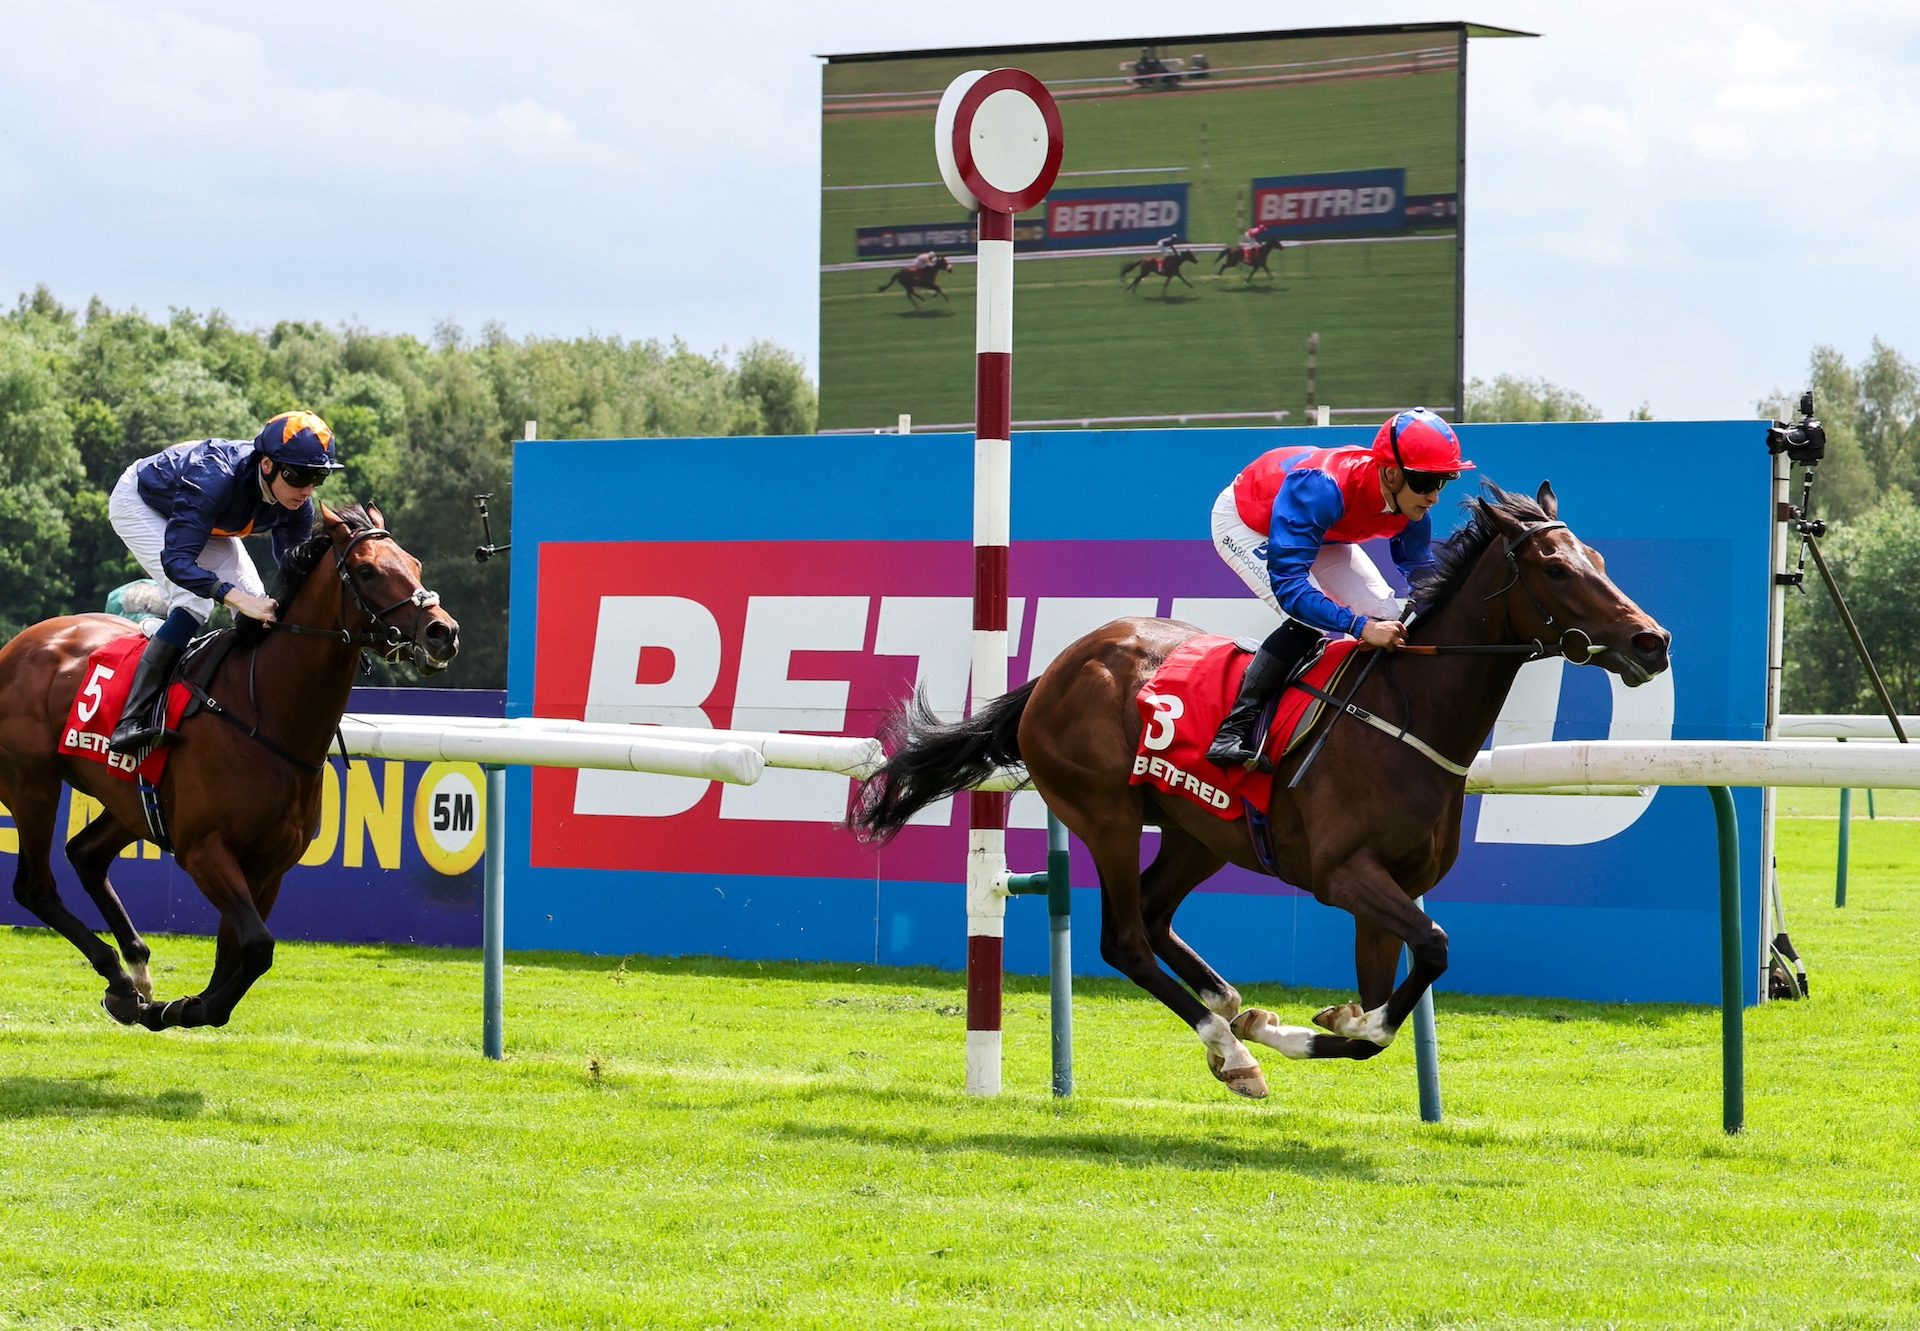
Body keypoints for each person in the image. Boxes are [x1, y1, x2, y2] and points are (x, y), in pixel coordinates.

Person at [1205, 407, 1474, 767]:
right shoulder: (1321, 488)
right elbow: (1292, 589)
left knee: (1386, 612)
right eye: (1426, 482)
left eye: (1443, 482)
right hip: (1249, 520)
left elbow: (1423, 578)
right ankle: (1232, 730)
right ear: (1392, 474)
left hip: (1321, 530)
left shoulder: (1412, 510)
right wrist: (1360, 628)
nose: (1434, 497)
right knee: (1312, 621)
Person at [104, 410, 345, 753]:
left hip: (209, 521)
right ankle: (132, 721)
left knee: (257, 606)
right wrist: (230, 595)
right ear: (266, 465)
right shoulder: (214, 478)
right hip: (142, 503)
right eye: (298, 477)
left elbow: (294, 575)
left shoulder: (296, 503)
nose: (306, 491)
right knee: (195, 601)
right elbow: (177, 561)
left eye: (317, 479)